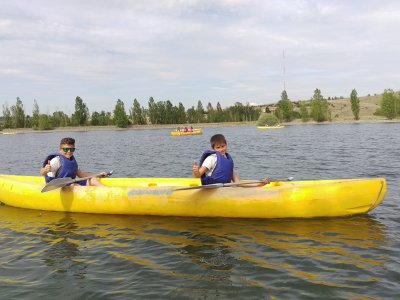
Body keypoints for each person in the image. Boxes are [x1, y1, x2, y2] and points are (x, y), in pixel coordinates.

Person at [192, 134, 268, 186]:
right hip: (211, 189)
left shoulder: (228, 160)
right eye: (218, 147)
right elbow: (198, 175)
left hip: (224, 189)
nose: (221, 149)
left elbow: (237, 182)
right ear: (213, 149)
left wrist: (259, 184)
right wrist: (196, 172)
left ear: (226, 145)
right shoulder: (211, 158)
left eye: (223, 146)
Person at [40, 137, 105, 187]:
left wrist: (98, 175)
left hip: (70, 184)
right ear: (60, 150)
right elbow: (42, 173)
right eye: (66, 149)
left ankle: (107, 191)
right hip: (58, 187)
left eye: (72, 149)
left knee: (92, 180)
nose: (69, 152)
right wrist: (45, 170)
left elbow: (81, 175)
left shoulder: (71, 161)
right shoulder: (56, 161)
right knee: (73, 186)